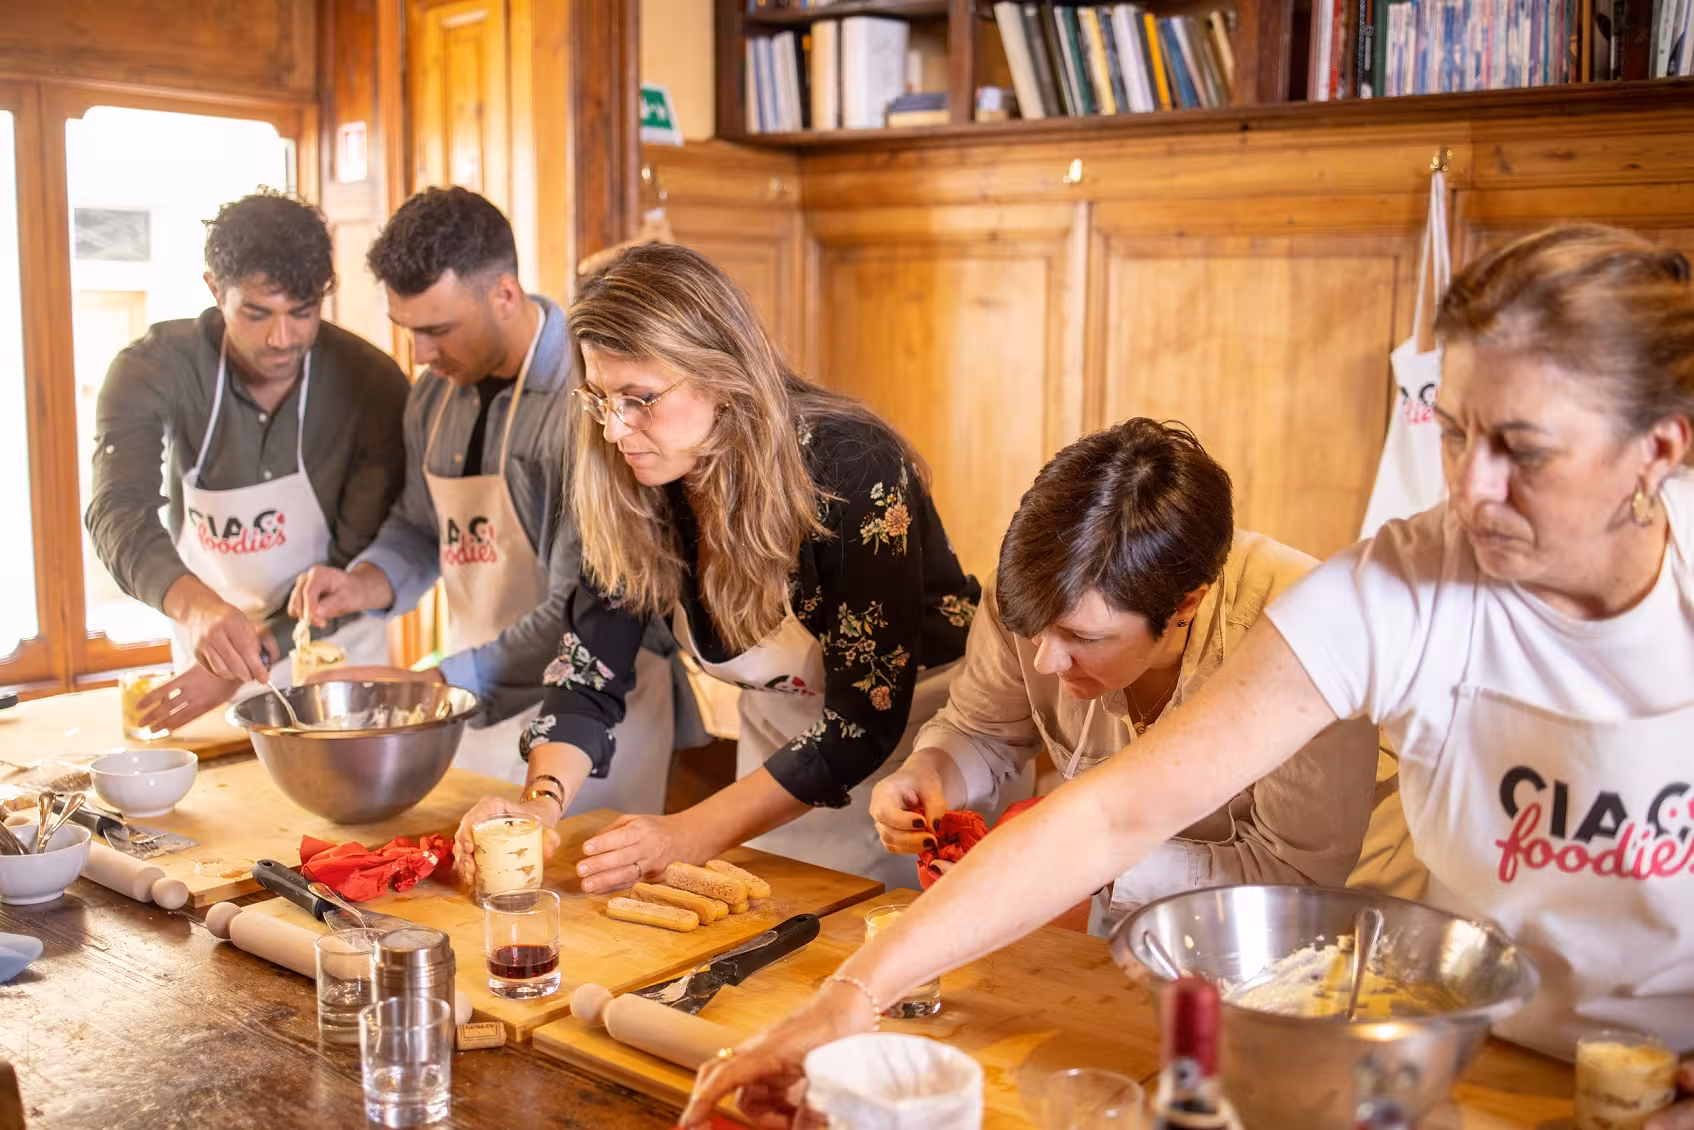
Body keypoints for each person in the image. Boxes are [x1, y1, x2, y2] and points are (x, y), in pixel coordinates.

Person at [684, 222, 1694, 1128]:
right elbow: (1103, 817)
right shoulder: (1396, 587)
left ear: (1658, 447)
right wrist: (851, 995)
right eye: (1458, 433)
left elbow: (1285, 867)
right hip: (1465, 1047)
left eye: (1520, 449)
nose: (1471, 488)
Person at [453, 243, 982, 892]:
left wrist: (689, 831)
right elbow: (590, 670)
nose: (616, 430)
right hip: (780, 761)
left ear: (720, 375)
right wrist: (539, 806)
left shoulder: (850, 469)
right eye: (600, 399)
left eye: (640, 398)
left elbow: (860, 724)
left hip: (923, 751)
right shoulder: (641, 481)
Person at [871, 419, 1383, 933]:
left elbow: (1291, 879)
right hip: (1130, 911)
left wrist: (1089, 850)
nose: (1047, 662)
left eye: (1084, 639)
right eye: (1034, 632)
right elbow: (982, 729)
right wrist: (930, 775)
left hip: (1314, 934)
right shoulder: (1027, 601)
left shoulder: (1309, 639)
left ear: (1186, 605)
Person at [290, 187, 676, 796]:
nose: (420, 354)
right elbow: (420, 525)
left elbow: (583, 608)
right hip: (470, 695)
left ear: (504, 294)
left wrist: (427, 682)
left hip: (593, 711)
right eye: (408, 330)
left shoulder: (592, 404)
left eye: (438, 330)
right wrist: (366, 580)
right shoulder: (434, 395)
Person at [85, 190, 409, 732]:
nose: (282, 338)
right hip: (206, 652)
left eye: (302, 313)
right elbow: (117, 512)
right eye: (257, 313)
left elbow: (361, 563)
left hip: (334, 661)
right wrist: (199, 610)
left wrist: (259, 653)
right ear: (215, 290)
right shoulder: (151, 369)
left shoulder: (370, 385)